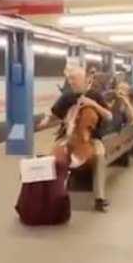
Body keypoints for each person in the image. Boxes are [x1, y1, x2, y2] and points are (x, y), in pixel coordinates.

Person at [39, 67, 113, 212]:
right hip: (67, 136)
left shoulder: (95, 95)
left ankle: (100, 198)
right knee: (53, 158)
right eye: (70, 79)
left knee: (99, 156)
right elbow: (53, 113)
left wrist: (93, 105)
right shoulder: (66, 97)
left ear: (85, 79)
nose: (71, 82)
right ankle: (53, 195)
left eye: (74, 79)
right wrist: (46, 119)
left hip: (90, 139)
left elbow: (109, 116)